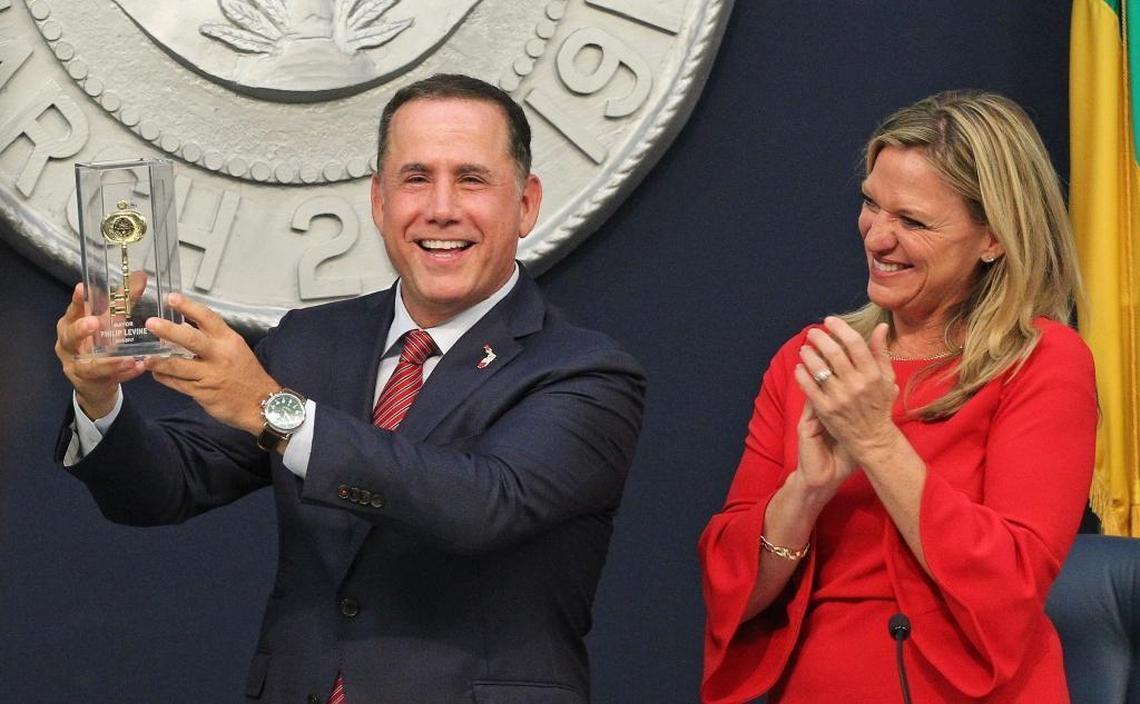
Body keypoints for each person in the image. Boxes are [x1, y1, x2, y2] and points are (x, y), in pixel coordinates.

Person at [53, 74, 646, 704]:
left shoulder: (586, 372)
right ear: (379, 201)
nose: (441, 208)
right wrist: (99, 401)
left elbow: (481, 505)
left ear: (525, 203)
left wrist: (272, 413)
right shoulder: (311, 342)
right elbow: (162, 489)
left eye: (471, 179)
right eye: (416, 179)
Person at [699, 90, 1096, 703]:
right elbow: (732, 589)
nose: (877, 237)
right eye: (870, 204)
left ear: (993, 239)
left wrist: (877, 442)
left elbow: (1009, 585)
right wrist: (806, 491)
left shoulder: (1042, 360)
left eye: (912, 222)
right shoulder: (812, 358)